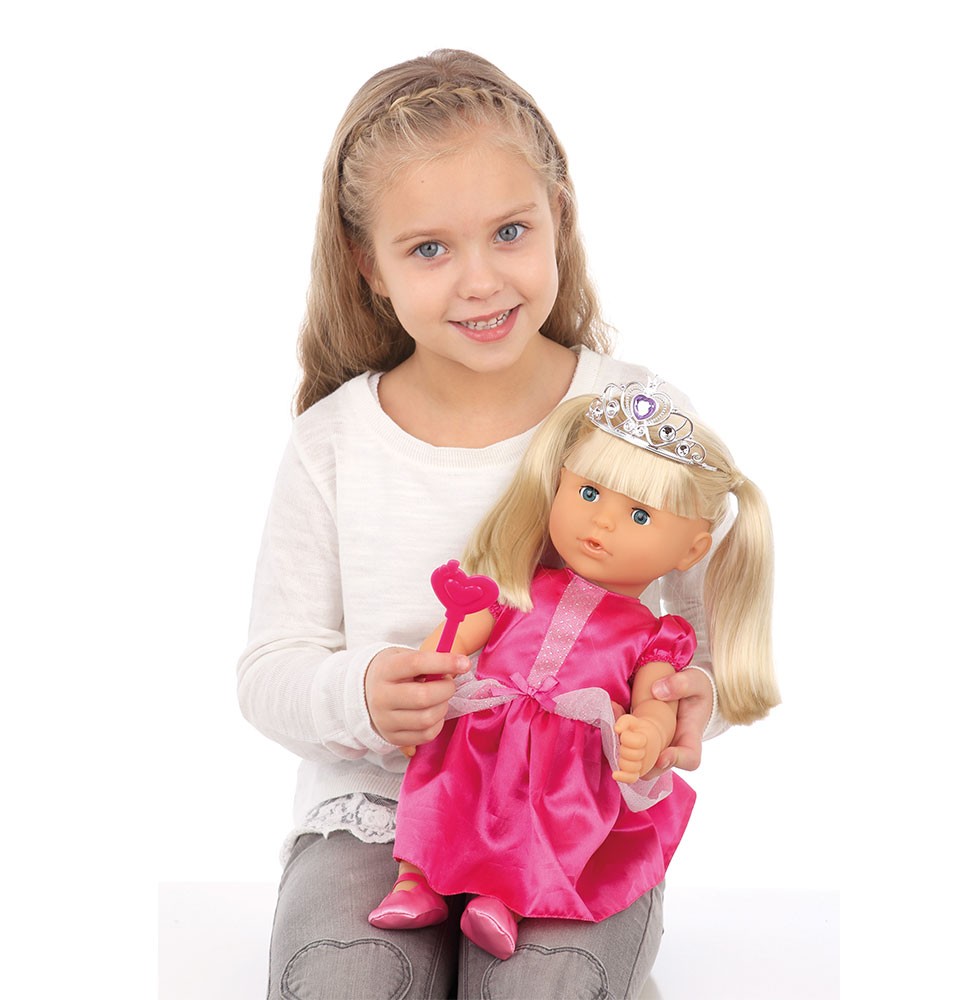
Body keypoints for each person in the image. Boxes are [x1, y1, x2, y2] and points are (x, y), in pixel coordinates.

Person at [238, 48, 734, 1000]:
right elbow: (269, 670)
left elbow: (705, 634)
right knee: (340, 983)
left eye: (510, 231)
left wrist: (685, 702)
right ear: (368, 264)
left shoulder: (634, 417)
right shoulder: (332, 442)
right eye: (429, 248)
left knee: (549, 988)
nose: (479, 281)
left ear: (560, 218)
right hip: (380, 815)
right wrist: (362, 694)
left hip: (575, 815)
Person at [369, 386, 779, 960]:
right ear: (559, 484)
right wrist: (425, 675)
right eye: (588, 493)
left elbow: (658, 697)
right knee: (446, 795)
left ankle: (505, 899)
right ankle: (415, 879)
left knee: (543, 826)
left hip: (567, 759)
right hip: (483, 728)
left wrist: (648, 733)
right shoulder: (522, 582)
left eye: (639, 515)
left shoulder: (656, 635)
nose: (601, 522)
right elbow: (457, 636)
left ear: (692, 551)